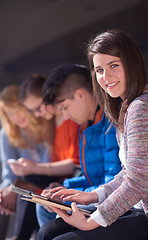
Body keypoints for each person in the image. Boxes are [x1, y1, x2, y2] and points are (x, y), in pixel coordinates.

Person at [37, 30, 148, 240]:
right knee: (47, 231)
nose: (106, 77)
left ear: (132, 63)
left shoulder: (144, 107)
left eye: (114, 66)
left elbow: (138, 181)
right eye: (99, 70)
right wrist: (94, 195)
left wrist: (91, 222)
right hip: (137, 211)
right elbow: (129, 171)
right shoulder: (127, 108)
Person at [36, 63, 121, 228]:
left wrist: (71, 196)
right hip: (97, 195)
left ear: (80, 95)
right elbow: (92, 178)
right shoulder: (87, 126)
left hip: (111, 203)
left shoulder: (110, 123)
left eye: (65, 108)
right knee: (44, 206)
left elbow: (113, 182)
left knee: (50, 227)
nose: (66, 116)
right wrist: (64, 188)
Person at [8, 74, 80, 227]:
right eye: (32, 111)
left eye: (37, 108)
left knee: (31, 181)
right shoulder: (50, 124)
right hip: (61, 180)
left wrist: (34, 167)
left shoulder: (72, 119)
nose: (37, 114)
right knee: (26, 186)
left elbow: (75, 164)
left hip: (73, 179)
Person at [0, 85, 53, 240]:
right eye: (10, 114)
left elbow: (49, 162)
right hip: (22, 183)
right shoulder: (6, 135)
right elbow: (8, 174)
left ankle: (19, 236)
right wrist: (6, 190)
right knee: (3, 198)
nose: (16, 117)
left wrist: (15, 185)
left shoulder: (45, 123)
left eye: (18, 109)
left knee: (25, 186)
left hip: (46, 178)